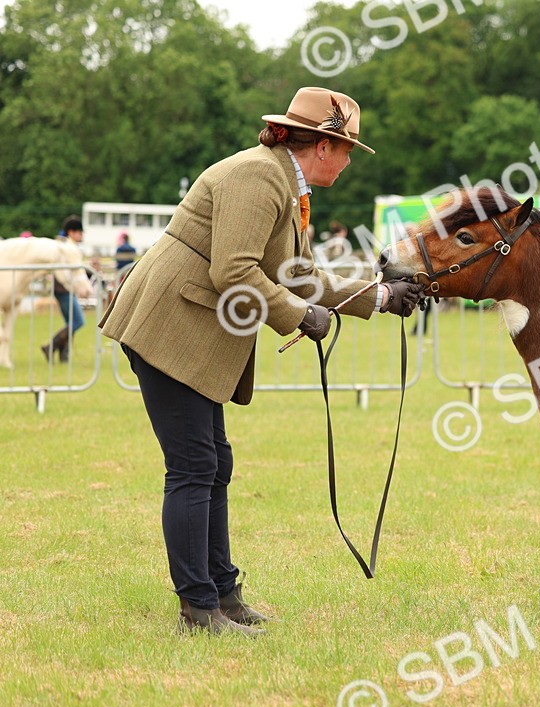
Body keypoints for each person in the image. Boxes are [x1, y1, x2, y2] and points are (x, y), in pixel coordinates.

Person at [100, 87, 425, 636]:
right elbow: (236, 272)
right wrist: (300, 317)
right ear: (323, 145)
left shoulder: (282, 180)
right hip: (168, 327)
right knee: (195, 467)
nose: (349, 162)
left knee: (212, 464)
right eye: (348, 150)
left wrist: (380, 295)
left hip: (190, 328)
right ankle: (199, 610)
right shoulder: (257, 177)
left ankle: (221, 595)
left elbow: (296, 276)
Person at [43, 216, 93, 362]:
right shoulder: (69, 247)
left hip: (60, 288)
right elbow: (75, 272)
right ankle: (51, 346)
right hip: (64, 289)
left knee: (70, 323)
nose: (81, 235)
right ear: (71, 232)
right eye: (79, 231)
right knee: (78, 322)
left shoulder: (64, 245)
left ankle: (63, 355)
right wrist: (84, 288)